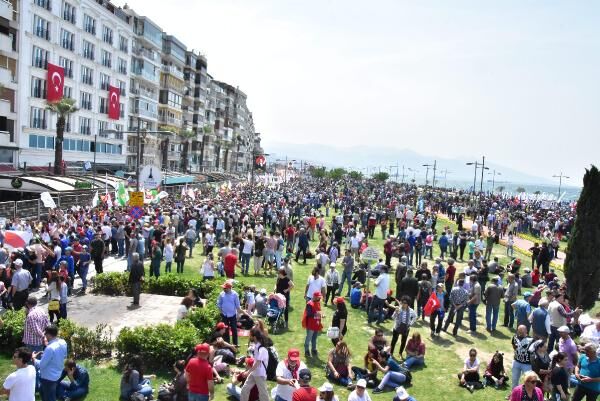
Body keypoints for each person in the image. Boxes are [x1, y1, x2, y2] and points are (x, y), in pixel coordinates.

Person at [35, 325, 68, 401]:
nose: (45, 336)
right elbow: (64, 356)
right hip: (57, 374)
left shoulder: (50, 348)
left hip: (48, 378)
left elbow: (41, 365)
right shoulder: (63, 342)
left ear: (49, 334)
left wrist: (34, 359)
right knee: (44, 392)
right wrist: (46, 354)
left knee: (49, 398)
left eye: (45, 334)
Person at [240, 327, 270, 401]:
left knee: (263, 394)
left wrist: (248, 372)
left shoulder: (262, 349)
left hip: (260, 374)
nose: (249, 337)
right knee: (245, 389)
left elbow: (257, 363)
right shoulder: (256, 346)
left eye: (250, 335)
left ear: (255, 337)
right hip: (254, 373)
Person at [217, 281, 245, 347]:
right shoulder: (221, 294)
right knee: (225, 330)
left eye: (225, 288)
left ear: (229, 288)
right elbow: (219, 303)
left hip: (232, 314)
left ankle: (235, 344)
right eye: (223, 288)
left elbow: (238, 306)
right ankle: (227, 344)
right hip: (224, 315)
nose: (223, 289)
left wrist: (238, 314)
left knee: (234, 329)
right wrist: (221, 311)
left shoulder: (235, 294)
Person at [511, 325, 533, 390]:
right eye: (519, 331)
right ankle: (514, 393)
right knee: (514, 380)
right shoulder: (515, 337)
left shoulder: (531, 340)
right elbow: (513, 345)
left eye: (522, 331)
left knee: (527, 381)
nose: (521, 333)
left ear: (526, 331)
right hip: (516, 362)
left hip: (527, 364)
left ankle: (525, 394)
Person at [302, 291, 324, 358]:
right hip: (310, 324)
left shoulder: (318, 302)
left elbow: (319, 311)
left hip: (316, 323)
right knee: (308, 338)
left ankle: (314, 349)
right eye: (318, 296)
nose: (319, 298)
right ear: (314, 296)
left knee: (314, 338)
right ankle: (306, 351)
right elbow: (309, 314)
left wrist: (321, 314)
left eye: (319, 296)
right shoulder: (309, 304)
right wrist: (318, 314)